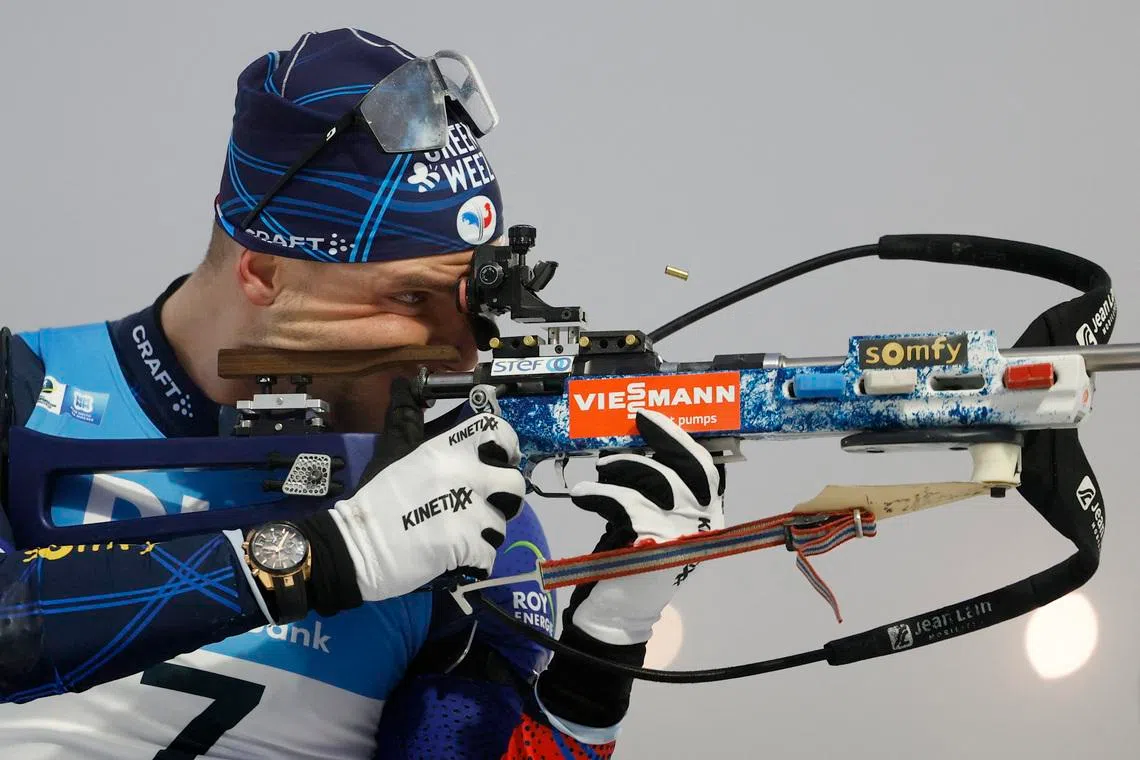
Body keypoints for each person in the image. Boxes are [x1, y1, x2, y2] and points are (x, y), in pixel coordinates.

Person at [0, 27, 727, 759]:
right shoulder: (18, 387)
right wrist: (324, 557)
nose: (464, 348)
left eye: (471, 301)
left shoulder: (470, 529)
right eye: (412, 297)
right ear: (265, 272)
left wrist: (601, 657)